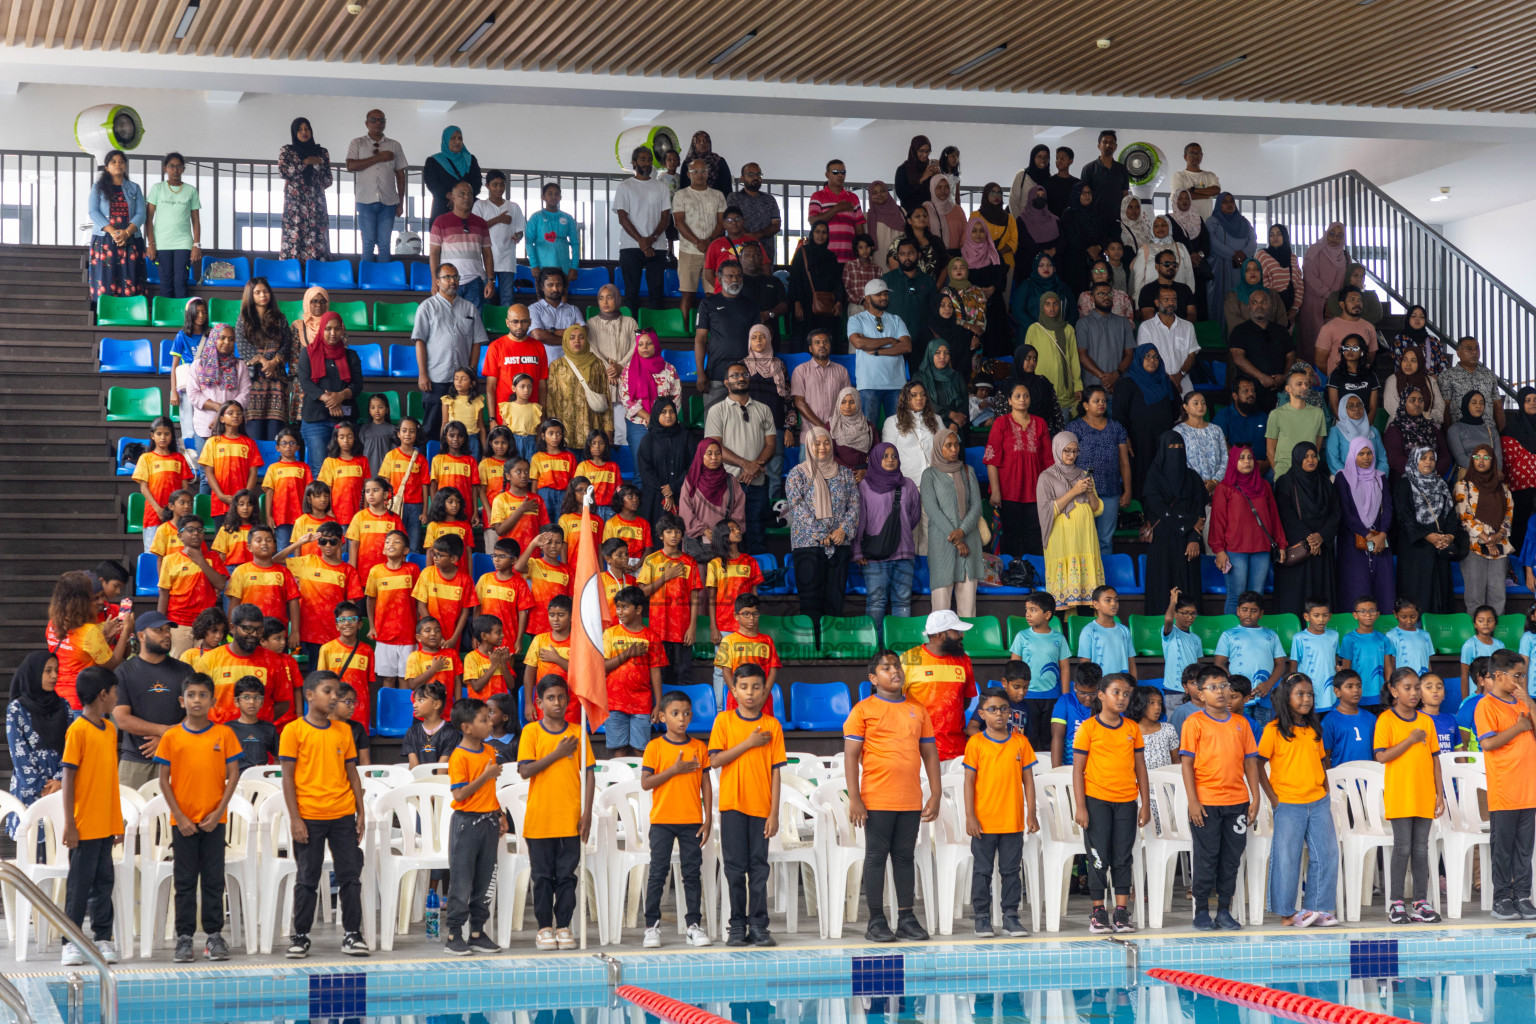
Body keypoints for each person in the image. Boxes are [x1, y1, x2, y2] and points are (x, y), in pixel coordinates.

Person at [842, 648, 941, 943]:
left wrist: (935, 793)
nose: (894, 671)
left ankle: (907, 918)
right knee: (875, 856)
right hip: (876, 797)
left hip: (910, 798)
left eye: (896, 666)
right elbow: (850, 757)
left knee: (904, 857)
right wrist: (855, 797)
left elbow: (930, 754)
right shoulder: (863, 710)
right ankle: (876, 920)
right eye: (886, 668)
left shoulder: (917, 709)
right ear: (873, 678)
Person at [153, 673, 240, 962]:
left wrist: (218, 813)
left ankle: (214, 936)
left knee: (214, 880)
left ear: (213, 701)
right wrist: (179, 815)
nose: (197, 700)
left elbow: (233, 775)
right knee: (186, 881)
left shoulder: (224, 734)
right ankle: (184, 938)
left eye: (203, 695)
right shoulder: (171, 736)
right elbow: (164, 780)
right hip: (183, 823)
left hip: (215, 821)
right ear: (182, 700)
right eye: (191, 695)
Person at [1179, 666, 1262, 931]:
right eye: (1213, 687)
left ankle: (1224, 910)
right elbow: (1186, 765)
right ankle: (1201, 910)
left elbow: (1251, 763)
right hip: (1206, 803)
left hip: (1236, 802)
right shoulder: (1194, 723)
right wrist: (1193, 801)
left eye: (1224, 685)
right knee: (1206, 857)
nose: (1220, 691)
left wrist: (1255, 796)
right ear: (1201, 694)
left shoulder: (1241, 723)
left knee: (1230, 859)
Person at [516, 676, 594, 950]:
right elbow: (525, 770)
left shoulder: (578, 731)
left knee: (566, 877)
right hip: (540, 819)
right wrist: (558, 753)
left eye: (561, 697)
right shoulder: (531, 732)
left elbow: (588, 774)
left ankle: (563, 925)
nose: (557, 702)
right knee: (542, 877)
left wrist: (588, 813)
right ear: (539, 703)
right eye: (551, 698)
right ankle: (543, 927)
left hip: (571, 818)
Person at [709, 663, 783, 947]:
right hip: (732, 807)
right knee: (734, 868)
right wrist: (750, 742)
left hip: (761, 809)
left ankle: (760, 925)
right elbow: (715, 760)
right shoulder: (724, 721)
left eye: (755, 687)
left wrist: (774, 813)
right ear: (734, 691)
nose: (750, 693)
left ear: (764, 690)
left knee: (759, 868)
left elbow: (777, 772)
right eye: (743, 687)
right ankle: (737, 925)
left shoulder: (773, 725)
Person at [1257, 672, 1340, 928]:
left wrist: (1325, 789)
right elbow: (1258, 765)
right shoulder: (1273, 730)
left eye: (1310, 694)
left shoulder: (1315, 728)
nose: (1306, 699)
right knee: (1287, 857)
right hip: (1288, 803)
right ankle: (1286, 913)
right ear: (1287, 697)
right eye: (1300, 694)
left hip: (1317, 801)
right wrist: (1273, 798)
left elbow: (1321, 761)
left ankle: (1316, 909)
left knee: (1326, 855)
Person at [1073, 672, 1149, 934]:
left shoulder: (1132, 729)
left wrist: (1145, 803)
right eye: (1116, 692)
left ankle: (1120, 912)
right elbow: (1078, 770)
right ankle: (1098, 911)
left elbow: (1141, 767)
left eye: (1126, 693)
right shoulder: (1088, 728)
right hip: (1096, 802)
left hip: (1126, 802)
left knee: (1122, 857)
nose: (1122, 698)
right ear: (1101, 695)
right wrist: (1081, 806)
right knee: (1097, 857)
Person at [58, 667, 124, 966]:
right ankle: (70, 941)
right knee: (78, 887)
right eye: (114, 692)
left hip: (105, 825)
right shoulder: (78, 730)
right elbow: (69, 778)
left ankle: (102, 938)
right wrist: (70, 823)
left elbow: (110, 780)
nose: (116, 697)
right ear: (103, 694)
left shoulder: (110, 729)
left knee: (103, 884)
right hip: (83, 825)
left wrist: (116, 819)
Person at [639, 691, 713, 948]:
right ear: (662, 717)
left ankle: (693, 925)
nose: (682, 719)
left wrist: (708, 817)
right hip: (662, 821)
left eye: (686, 714)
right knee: (658, 873)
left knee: (692, 874)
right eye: (675, 714)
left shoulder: (699, 747)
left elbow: (706, 783)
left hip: (692, 820)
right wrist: (674, 770)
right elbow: (646, 783)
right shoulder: (655, 747)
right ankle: (651, 927)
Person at [1372, 668, 1446, 923]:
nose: (1414, 693)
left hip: (1424, 794)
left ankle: (1420, 901)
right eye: (1407, 688)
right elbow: (1381, 756)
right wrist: (1411, 740)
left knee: (1422, 849)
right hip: (1400, 794)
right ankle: (1395, 902)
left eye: (1417, 687)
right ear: (1394, 691)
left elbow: (1435, 759)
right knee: (1402, 848)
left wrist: (1440, 794)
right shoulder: (1386, 720)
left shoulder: (1426, 721)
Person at [1473, 648, 1536, 920]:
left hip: (1529, 789)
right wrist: (1519, 728)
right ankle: (1501, 898)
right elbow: (1487, 743)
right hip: (1505, 790)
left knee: (1525, 848)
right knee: (1503, 847)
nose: (1521, 682)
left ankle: (1523, 895)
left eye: (1523, 676)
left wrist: (1531, 704)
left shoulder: (1523, 703)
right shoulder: (1486, 705)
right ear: (1498, 675)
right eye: (1517, 676)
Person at [786, 427, 859, 641]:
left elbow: (854, 505)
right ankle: (811, 647)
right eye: (817, 443)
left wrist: (842, 530)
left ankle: (832, 644)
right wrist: (820, 532)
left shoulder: (844, 473)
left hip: (839, 545)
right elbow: (797, 506)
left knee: (835, 600)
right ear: (809, 445)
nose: (822, 447)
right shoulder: (797, 474)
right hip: (807, 546)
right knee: (810, 600)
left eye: (826, 442)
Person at [111, 611, 193, 789]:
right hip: (135, 760)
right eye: (159, 630)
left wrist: (166, 739)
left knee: (175, 816)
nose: (166, 634)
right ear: (141, 635)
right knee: (131, 814)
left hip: (176, 758)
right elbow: (122, 719)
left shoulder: (185, 671)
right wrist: (164, 731)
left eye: (167, 630)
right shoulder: (124, 672)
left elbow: (196, 714)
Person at [702, 363, 775, 551]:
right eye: (734, 375)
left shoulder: (764, 409)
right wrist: (746, 465)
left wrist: (753, 468)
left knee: (757, 533)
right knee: (729, 536)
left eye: (744, 374)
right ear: (726, 382)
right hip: (728, 483)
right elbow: (715, 447)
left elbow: (771, 445)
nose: (740, 378)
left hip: (757, 482)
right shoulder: (717, 410)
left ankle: (758, 578)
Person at [854, 443, 922, 643]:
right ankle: (875, 650)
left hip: (904, 555)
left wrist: (898, 534)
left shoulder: (908, 485)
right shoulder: (865, 486)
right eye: (885, 456)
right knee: (876, 604)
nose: (890, 459)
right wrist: (857, 551)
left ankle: (900, 648)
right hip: (875, 557)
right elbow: (859, 521)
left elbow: (914, 517)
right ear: (875, 460)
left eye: (894, 456)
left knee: (902, 603)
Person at [413, 264, 488, 442]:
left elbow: (477, 341)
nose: (452, 281)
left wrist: (470, 373)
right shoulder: (427, 307)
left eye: (455, 277)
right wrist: (423, 374)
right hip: (436, 378)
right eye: (447, 277)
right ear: (437, 281)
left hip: (462, 382)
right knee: (432, 426)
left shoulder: (469, 308)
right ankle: (430, 466)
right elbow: (420, 342)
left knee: (462, 429)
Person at [1209, 446, 1286, 615]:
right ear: (1233, 462)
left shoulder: (1264, 486)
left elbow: (1274, 517)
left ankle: (1252, 636)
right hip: (1235, 550)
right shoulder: (1225, 487)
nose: (1247, 461)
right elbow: (1217, 521)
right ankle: (1232, 636)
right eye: (1241, 458)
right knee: (1236, 595)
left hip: (1261, 549)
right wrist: (1219, 551)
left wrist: (1281, 544)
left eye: (1250, 458)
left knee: (1256, 596)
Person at [1392, 446, 1466, 616]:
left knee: (1440, 591)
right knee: (1418, 591)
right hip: (1415, 549)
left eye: (1432, 459)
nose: (1428, 462)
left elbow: (1450, 513)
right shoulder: (1404, 484)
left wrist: (1449, 535)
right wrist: (1427, 536)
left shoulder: (1441, 484)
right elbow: (1404, 516)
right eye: (1423, 458)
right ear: (1414, 460)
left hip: (1439, 546)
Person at [984, 381, 1054, 556]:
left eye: (1026, 396)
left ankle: (1033, 576)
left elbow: (1048, 462)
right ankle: (1012, 576)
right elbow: (992, 459)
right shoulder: (1001, 423)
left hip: (1036, 491)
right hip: (1008, 491)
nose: (1022, 399)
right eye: (1017, 396)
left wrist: (1049, 491)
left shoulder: (1040, 424)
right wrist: (996, 491)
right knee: (1010, 535)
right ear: (1009, 401)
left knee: (1034, 535)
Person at [1272, 443, 1340, 619]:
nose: (1310, 460)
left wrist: (1321, 536)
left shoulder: (1325, 482)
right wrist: (1309, 539)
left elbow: (1335, 513)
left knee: (1321, 592)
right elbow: (1285, 514)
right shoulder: (1285, 482)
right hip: (1299, 547)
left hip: (1321, 549)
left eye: (1314, 456)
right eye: (1305, 456)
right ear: (1297, 459)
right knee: (1296, 595)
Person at [1038, 432, 1104, 609]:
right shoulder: (1046, 477)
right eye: (1066, 451)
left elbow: (1097, 509)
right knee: (1062, 603)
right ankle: (1065, 634)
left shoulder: (1083, 474)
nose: (1071, 455)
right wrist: (1073, 492)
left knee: (1087, 601)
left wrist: (1089, 491)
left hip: (1085, 541)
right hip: (1062, 542)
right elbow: (1045, 511)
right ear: (1057, 449)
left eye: (1075, 451)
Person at [925, 428, 985, 615]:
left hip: (970, 541)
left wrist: (962, 532)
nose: (953, 449)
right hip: (942, 544)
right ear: (938, 448)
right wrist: (957, 539)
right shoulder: (930, 475)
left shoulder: (968, 471)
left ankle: (966, 645)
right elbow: (932, 510)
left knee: (968, 609)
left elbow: (976, 507)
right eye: (948, 445)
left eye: (956, 444)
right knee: (941, 606)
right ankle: (941, 645)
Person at [6, 652, 66, 841]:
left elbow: (71, 748)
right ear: (33, 673)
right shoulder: (17, 709)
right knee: (32, 850)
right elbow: (18, 753)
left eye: (56, 670)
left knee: (59, 851)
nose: (54, 676)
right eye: (47, 671)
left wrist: (60, 779)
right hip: (29, 788)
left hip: (60, 788)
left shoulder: (64, 706)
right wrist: (41, 786)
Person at [1067, 386, 1131, 559]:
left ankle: (1103, 583)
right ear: (1086, 405)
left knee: (1105, 540)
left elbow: (1124, 462)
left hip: (1111, 491)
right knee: (1083, 538)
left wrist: (1127, 490)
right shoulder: (1074, 428)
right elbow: (1067, 462)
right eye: (1096, 401)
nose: (1101, 404)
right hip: (1082, 492)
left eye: (1104, 401)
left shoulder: (1116, 428)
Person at [296, 311, 362, 476]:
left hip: (345, 419)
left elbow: (357, 385)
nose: (333, 333)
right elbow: (305, 383)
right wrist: (330, 400)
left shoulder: (350, 355)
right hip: (315, 420)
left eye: (337, 329)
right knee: (320, 470)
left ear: (342, 330)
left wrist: (340, 397)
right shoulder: (307, 353)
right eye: (328, 329)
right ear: (321, 329)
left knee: (346, 469)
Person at [1113, 344, 1181, 498]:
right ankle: (1142, 515)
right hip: (1138, 441)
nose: (1152, 360)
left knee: (1163, 476)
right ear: (1138, 359)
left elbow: (1176, 407)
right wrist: (1124, 437)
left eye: (1155, 356)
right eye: (1147, 356)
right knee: (1141, 475)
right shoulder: (1127, 384)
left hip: (1163, 440)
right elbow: (1119, 414)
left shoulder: (1166, 382)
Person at [232, 278, 294, 443]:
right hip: (253, 381)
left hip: (277, 381)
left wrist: (275, 362)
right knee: (254, 434)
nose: (262, 295)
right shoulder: (243, 318)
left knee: (276, 433)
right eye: (257, 292)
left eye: (265, 291)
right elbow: (242, 344)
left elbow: (287, 343)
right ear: (250, 296)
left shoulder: (280, 318)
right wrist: (263, 361)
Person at [1456, 444, 1513, 616]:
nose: (1482, 461)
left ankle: (1496, 641)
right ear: (1472, 460)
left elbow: (1508, 515)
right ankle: (1477, 639)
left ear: (1493, 461)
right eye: (1477, 457)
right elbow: (1465, 518)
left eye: (1486, 457)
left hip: (1500, 547)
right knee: (1475, 597)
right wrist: (1487, 538)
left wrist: (1497, 536)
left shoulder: (1502, 488)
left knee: (1498, 596)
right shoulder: (1463, 486)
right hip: (1474, 546)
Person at [614, 145, 673, 312]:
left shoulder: (660, 186)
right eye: (643, 159)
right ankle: (631, 333)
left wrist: (651, 240)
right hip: (630, 246)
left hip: (658, 246)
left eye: (649, 160)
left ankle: (653, 335)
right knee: (631, 293)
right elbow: (622, 218)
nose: (647, 163)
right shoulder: (625, 186)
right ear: (634, 163)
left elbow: (665, 218)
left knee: (656, 292)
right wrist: (642, 242)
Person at [694, 261, 761, 406]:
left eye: (738, 276)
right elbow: (700, 339)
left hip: (745, 375)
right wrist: (700, 372)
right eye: (730, 276)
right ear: (719, 278)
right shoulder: (707, 304)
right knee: (714, 424)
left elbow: (758, 340)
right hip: (716, 374)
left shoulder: (751, 305)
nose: (735, 280)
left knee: (743, 425)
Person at [346, 110, 408, 262]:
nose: (378, 123)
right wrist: (379, 157)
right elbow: (351, 165)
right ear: (366, 123)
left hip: (389, 201)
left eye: (381, 120)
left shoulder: (394, 145)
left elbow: (400, 175)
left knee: (385, 244)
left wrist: (401, 202)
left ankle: (383, 283)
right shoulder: (357, 143)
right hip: (365, 201)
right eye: (374, 120)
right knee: (368, 244)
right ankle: (366, 279)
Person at [88, 148, 148, 303]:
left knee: (130, 278)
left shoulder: (134, 188)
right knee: (106, 279)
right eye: (113, 162)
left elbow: (141, 214)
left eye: (121, 162)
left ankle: (130, 316)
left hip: (131, 240)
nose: (118, 164)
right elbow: (93, 212)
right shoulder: (98, 187)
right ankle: (105, 315)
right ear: (107, 167)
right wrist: (114, 232)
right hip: (105, 240)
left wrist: (127, 233)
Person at [673, 158, 727, 327]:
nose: (699, 175)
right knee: (687, 295)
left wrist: (709, 242)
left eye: (703, 171)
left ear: (708, 173)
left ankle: (713, 329)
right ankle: (685, 330)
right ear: (689, 174)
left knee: (712, 294)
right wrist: (698, 242)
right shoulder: (681, 195)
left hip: (713, 252)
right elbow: (679, 222)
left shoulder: (717, 195)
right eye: (695, 172)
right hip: (689, 251)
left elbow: (722, 222)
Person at [429, 181, 495, 311]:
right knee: (448, 324)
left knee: (474, 324)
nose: (466, 197)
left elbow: (487, 254)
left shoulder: (480, 223)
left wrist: (490, 281)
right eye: (462, 194)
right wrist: (435, 280)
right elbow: (434, 253)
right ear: (453, 197)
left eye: (470, 194)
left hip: (475, 281)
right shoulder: (440, 221)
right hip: (448, 281)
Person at [145, 152, 201, 298]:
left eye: (178, 167)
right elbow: (148, 218)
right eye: (171, 166)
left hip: (183, 243)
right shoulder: (157, 188)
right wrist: (151, 244)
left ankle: (183, 319)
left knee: (180, 282)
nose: (175, 170)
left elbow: (195, 220)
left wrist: (196, 245)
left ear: (183, 169)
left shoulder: (191, 191)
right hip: (162, 243)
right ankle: (168, 318)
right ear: (165, 168)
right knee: (166, 283)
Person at [788, 221, 847, 353]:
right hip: (806, 305)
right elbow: (795, 278)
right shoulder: (802, 253)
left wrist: (838, 301)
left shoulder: (831, 257)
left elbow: (837, 281)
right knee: (804, 341)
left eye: (824, 232)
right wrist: (797, 302)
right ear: (812, 233)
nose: (821, 235)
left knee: (826, 341)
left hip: (827, 307)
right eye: (817, 231)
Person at [277, 117, 331, 262]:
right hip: (296, 204)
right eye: (300, 129)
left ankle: (315, 271)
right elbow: (283, 172)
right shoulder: (287, 151)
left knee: (317, 235)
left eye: (307, 128)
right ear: (295, 133)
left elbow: (328, 180)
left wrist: (317, 168)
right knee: (295, 235)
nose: (304, 132)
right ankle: (295, 272)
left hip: (315, 203)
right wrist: (305, 162)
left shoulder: (321, 152)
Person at [1023, 292, 1081, 420]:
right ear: (1041, 307)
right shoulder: (1034, 329)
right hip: (1039, 390)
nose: (1052, 308)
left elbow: (1074, 359)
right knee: (1041, 432)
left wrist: (1078, 386)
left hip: (1063, 391)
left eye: (1055, 304)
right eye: (1047, 304)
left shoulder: (1068, 329)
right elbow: (1026, 360)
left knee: (1061, 433)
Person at [1298, 222, 1350, 362]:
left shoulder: (1343, 256)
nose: (1335, 238)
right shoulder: (1315, 251)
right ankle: (1311, 380)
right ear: (1326, 233)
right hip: (1314, 303)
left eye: (1340, 235)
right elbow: (1309, 276)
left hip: (1333, 305)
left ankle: (1329, 379)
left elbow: (1343, 281)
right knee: (1312, 342)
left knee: (1331, 343)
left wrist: (1333, 302)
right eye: (1331, 233)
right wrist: (1328, 296)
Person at [1205, 193, 1257, 334]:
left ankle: (1241, 338)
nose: (1229, 204)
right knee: (1222, 303)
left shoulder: (1244, 222)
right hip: (1221, 268)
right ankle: (1220, 338)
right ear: (1219, 205)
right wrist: (1234, 254)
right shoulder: (1212, 221)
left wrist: (1244, 254)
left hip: (1240, 269)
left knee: (1241, 302)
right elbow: (1212, 242)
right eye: (1225, 202)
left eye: (1231, 201)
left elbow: (1253, 241)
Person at [678, 438, 744, 549]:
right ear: (700, 455)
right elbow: (685, 512)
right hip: (698, 543)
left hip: (725, 541)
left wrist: (728, 531)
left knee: (722, 566)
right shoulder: (691, 481)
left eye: (717, 453)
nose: (714, 457)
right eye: (709, 454)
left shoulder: (730, 481)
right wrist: (704, 530)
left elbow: (739, 509)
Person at [635, 399, 692, 524]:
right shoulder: (648, 439)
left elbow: (693, 465)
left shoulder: (685, 436)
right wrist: (666, 492)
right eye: (663, 412)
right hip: (655, 497)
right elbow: (646, 470)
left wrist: (674, 487)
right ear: (656, 415)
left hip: (682, 492)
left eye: (672, 411)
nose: (668, 415)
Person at [1265, 370, 1329, 479]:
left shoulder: (1318, 413)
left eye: (1306, 384)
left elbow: (1316, 447)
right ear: (1288, 389)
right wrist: (1279, 474)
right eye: (1299, 384)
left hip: (1310, 473)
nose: (1304, 387)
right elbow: (1270, 451)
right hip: (1285, 472)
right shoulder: (1276, 414)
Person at [1137, 286, 1199, 397]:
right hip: (1156, 381)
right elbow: (1145, 358)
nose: (1171, 303)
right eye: (1166, 299)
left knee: (1186, 412)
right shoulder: (1146, 327)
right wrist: (1169, 380)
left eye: (1174, 299)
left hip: (1183, 382)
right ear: (1157, 302)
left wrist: (1178, 377)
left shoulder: (1187, 326)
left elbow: (1191, 356)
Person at [1076, 283, 1135, 392]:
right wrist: (1106, 378)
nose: (1106, 297)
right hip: (1093, 387)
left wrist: (1116, 375)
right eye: (1101, 294)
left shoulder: (1123, 322)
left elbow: (1129, 354)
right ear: (1092, 298)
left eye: (1109, 293)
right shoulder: (1083, 324)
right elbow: (1082, 355)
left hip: (1119, 385)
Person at [1440, 337, 1506, 432]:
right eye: (1469, 349)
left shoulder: (1489, 375)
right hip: (1461, 434)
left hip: (1489, 432)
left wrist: (1503, 434)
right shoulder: (1447, 376)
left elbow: (1498, 406)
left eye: (1477, 348)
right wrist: (1448, 434)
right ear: (1458, 353)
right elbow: (1445, 408)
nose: (1474, 352)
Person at [1167, 190, 1212, 319]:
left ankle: (1201, 334)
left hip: (1197, 268)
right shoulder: (1169, 219)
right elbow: (1168, 242)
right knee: (1181, 299)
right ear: (1175, 201)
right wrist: (1187, 257)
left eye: (1187, 198)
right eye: (1180, 198)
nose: (1184, 201)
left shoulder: (1198, 219)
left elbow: (1206, 242)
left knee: (1199, 301)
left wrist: (1199, 255)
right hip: (1179, 268)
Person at [423, 125, 481, 223]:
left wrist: (462, 198)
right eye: (453, 138)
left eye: (460, 138)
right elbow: (432, 183)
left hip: (468, 208)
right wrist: (450, 196)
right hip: (444, 207)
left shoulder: (470, 160)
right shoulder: (434, 161)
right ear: (445, 140)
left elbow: (477, 183)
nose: (457, 141)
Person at [1175, 392, 1230, 496]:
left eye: (1203, 403)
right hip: (1192, 488)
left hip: (1218, 486)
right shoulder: (1179, 432)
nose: (1200, 406)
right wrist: (1199, 483)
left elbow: (1224, 458)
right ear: (1185, 407)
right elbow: (1178, 461)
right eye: (1195, 403)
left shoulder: (1216, 430)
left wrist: (1214, 482)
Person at [1133, 237, 1198, 322]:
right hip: (1157, 333)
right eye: (1166, 264)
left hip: (1182, 332)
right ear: (1157, 267)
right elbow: (1148, 317)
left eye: (1174, 264)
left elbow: (1192, 315)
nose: (1171, 267)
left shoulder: (1185, 289)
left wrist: (1181, 329)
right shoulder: (1147, 290)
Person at [1058, 181, 1104, 297]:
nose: (1087, 196)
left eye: (1089, 193)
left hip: (1094, 261)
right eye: (1083, 193)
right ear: (1076, 195)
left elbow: (1103, 235)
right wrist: (1091, 250)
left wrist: (1098, 248)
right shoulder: (1069, 213)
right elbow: (1072, 238)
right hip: (1075, 264)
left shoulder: (1096, 213)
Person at [1079, 131, 1129, 236]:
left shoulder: (1122, 169)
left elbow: (1125, 196)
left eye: (1111, 142)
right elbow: (1083, 197)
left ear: (1115, 146)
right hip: (1095, 221)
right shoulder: (1088, 169)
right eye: (1105, 142)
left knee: (1116, 251)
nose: (1108, 145)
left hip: (1117, 221)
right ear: (1099, 146)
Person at [1384, 346, 1447, 429]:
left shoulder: (1430, 381)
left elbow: (1440, 410)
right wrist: (1425, 415)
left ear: (1420, 362)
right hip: (1399, 428)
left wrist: (1422, 417)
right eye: (1405, 360)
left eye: (1413, 361)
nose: (1408, 364)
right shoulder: (1393, 380)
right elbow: (1393, 409)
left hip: (1428, 428)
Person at [1326, 393, 1387, 476]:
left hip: (1373, 479)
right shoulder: (1336, 431)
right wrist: (1352, 478)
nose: (1357, 409)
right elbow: (1333, 459)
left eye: (1359, 405)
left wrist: (1380, 477)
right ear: (1343, 409)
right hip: (1345, 479)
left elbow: (1382, 458)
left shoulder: (1373, 431)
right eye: (1351, 406)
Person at [1255, 224, 1303, 329]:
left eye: (1279, 234)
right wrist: (1275, 308)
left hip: (1289, 309)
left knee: (1284, 340)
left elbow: (1299, 284)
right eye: (1271, 235)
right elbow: (1261, 282)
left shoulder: (1293, 258)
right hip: (1269, 308)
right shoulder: (1262, 255)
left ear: (1285, 237)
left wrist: (1294, 308)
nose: (1275, 237)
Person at [1012, 345, 1066, 435]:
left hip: (1044, 434)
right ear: (1019, 359)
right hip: (1017, 436)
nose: (1032, 362)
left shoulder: (1043, 382)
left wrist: (1060, 434)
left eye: (1035, 359)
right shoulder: (1009, 385)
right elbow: (1003, 416)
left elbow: (1055, 412)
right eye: (1028, 358)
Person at [1450, 391, 1502, 473]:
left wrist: (1490, 473)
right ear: (1466, 405)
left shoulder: (1491, 431)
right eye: (1474, 403)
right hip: (1468, 475)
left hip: (1490, 476)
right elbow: (1461, 458)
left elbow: (1498, 458)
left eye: (1482, 403)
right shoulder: (1455, 430)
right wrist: (1481, 470)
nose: (1479, 406)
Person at [1391, 304, 1450, 375]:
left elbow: (1443, 364)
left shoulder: (1434, 341)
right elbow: (1401, 363)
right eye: (1413, 316)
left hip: (1432, 383)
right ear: (1408, 318)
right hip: (1407, 382)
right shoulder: (1400, 340)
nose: (1418, 319)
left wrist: (1435, 379)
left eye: (1422, 317)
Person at [894, 135, 940, 212]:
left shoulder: (930, 167)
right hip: (910, 214)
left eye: (927, 151)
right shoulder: (903, 169)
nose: (925, 155)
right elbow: (901, 194)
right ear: (914, 150)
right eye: (921, 151)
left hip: (930, 213)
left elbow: (939, 193)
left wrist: (938, 176)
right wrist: (921, 179)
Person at [680, 130, 731, 197]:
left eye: (705, 140)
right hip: (692, 201)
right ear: (694, 144)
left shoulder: (719, 161)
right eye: (698, 141)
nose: (702, 143)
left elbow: (727, 185)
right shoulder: (687, 162)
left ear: (709, 143)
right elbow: (683, 185)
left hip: (716, 200)